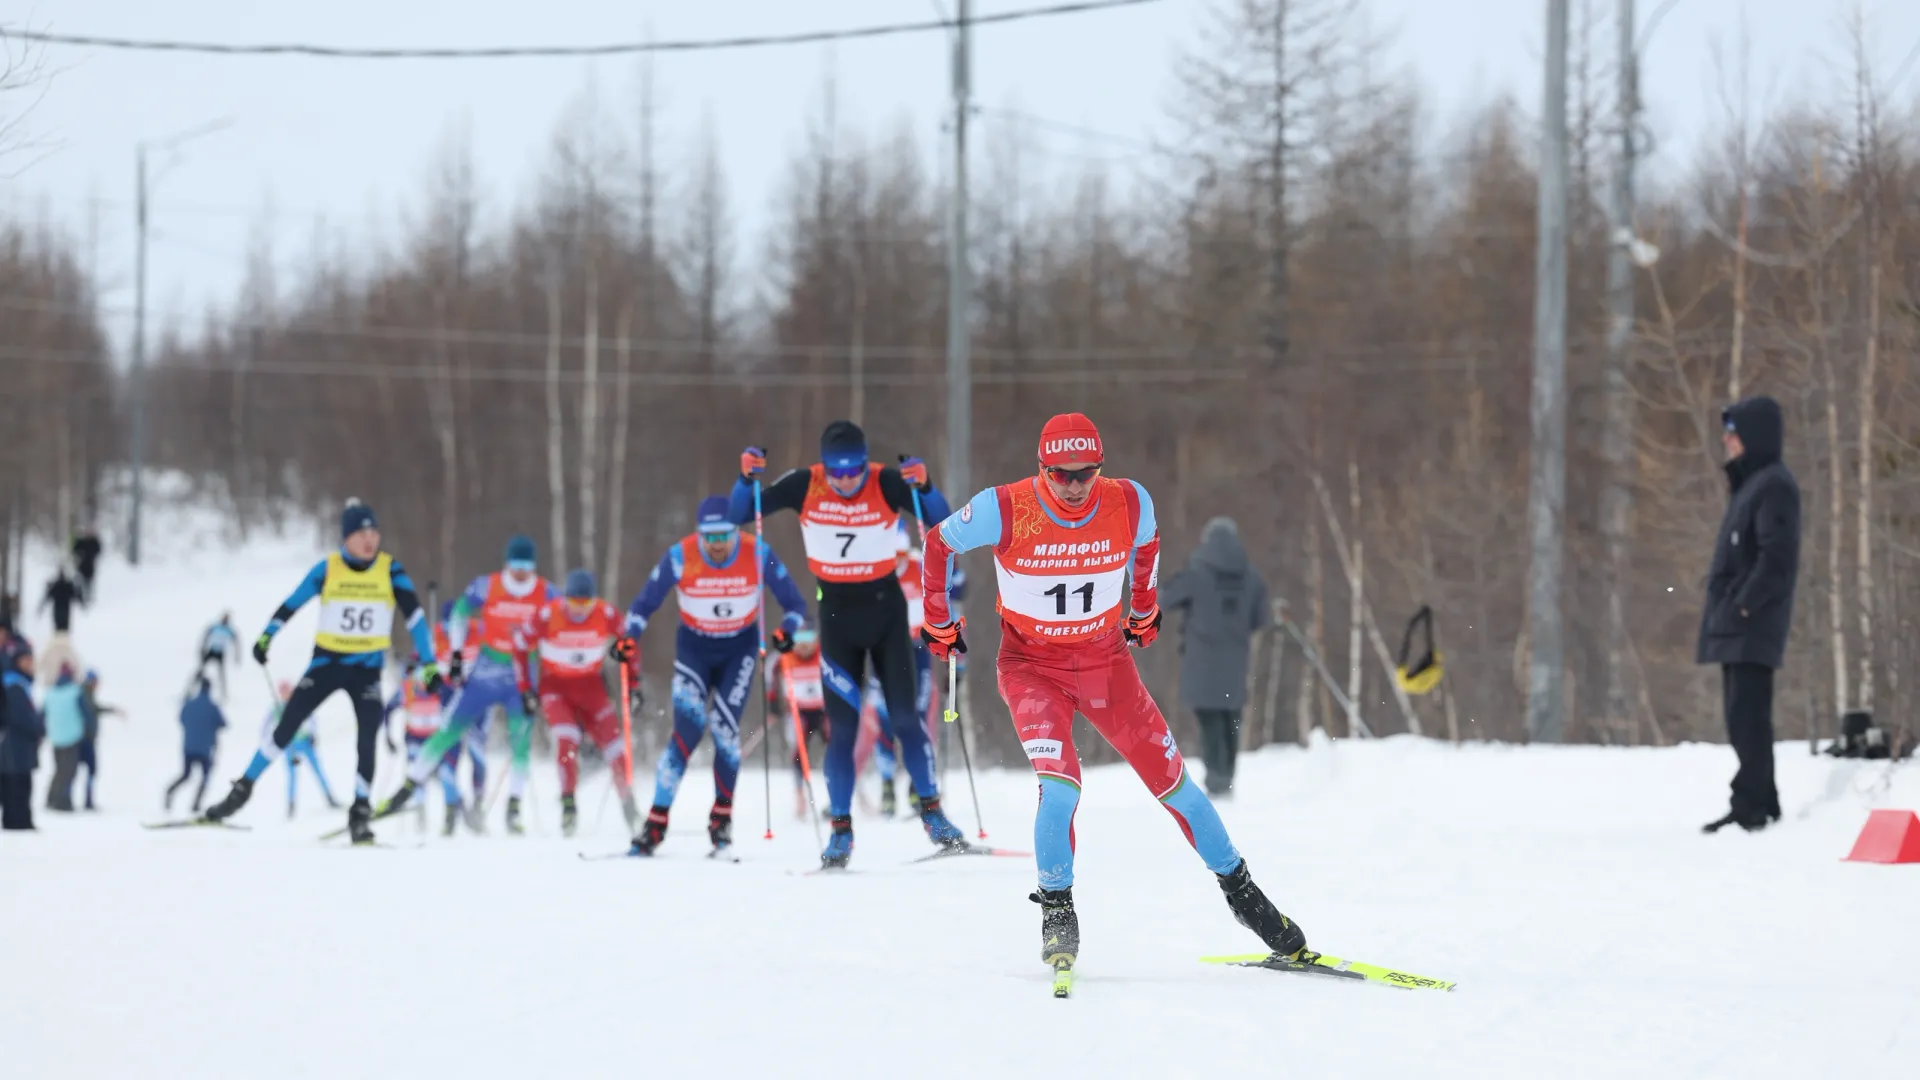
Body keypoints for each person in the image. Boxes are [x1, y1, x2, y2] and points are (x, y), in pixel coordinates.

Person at [920, 413, 1309, 980]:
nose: (1075, 486)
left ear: (1100, 467)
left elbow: (1148, 546)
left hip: (1105, 665)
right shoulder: (1004, 507)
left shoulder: (1128, 500)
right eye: (1062, 475)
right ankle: (1057, 910)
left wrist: (1143, 605)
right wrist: (939, 621)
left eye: (1086, 474)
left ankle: (1247, 898)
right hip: (1033, 669)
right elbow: (937, 543)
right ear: (1042, 468)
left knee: (1176, 785)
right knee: (1059, 790)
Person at [732, 422, 961, 868]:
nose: (845, 481)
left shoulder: (885, 481)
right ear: (824, 467)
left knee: (904, 718)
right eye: (836, 473)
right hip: (836, 618)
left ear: (865, 461)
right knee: (844, 728)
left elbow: (939, 518)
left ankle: (933, 815)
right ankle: (840, 830)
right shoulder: (804, 483)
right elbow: (743, 512)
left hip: (888, 613)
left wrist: (925, 485)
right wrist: (745, 478)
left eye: (854, 470)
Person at [201, 500, 444, 843]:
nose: (370, 539)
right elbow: (292, 603)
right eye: (361, 533)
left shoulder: (391, 570)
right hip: (327, 664)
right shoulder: (328, 569)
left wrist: (430, 664)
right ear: (346, 537)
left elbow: (415, 618)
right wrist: (267, 636)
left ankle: (360, 813)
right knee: (286, 726)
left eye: (374, 532)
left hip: (367, 671)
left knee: (367, 739)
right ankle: (240, 792)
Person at [615, 496, 808, 855]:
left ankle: (721, 821)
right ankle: (655, 824)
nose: (717, 545)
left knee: (724, 728)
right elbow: (644, 603)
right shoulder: (679, 556)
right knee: (686, 732)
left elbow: (795, 605)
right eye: (710, 537)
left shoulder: (757, 552)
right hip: (695, 650)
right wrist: (629, 638)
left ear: (735, 532)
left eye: (725, 536)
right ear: (699, 534)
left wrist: (787, 632)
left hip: (740, 651)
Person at [377, 535, 550, 835]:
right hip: (484, 670)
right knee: (448, 730)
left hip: (521, 673)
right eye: (516, 565)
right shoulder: (488, 585)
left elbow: (563, 623)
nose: (521, 572)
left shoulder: (547, 592)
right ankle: (406, 788)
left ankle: (513, 807)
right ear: (507, 564)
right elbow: (459, 612)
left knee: (520, 741)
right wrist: (456, 655)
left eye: (527, 566)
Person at [1698, 396, 1802, 835]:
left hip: (1751, 624)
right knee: (1741, 717)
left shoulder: (1773, 485)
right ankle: (1761, 801)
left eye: (1734, 433)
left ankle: (1752, 806)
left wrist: (1742, 603)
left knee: (1748, 717)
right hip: (1737, 625)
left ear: (1753, 437)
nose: (1727, 441)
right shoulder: (1751, 485)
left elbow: (1775, 559)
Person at [1162, 517, 1269, 797]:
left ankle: (1216, 780)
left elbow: (1165, 599)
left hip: (1202, 661)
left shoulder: (1197, 572)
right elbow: (1261, 618)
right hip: (1235, 660)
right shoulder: (1252, 576)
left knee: (1209, 719)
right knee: (1230, 718)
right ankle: (1227, 777)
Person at [530, 569, 636, 837]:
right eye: (574, 603)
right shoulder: (548, 615)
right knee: (567, 739)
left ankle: (629, 804)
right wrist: (525, 689)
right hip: (556, 689)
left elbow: (629, 640)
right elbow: (521, 645)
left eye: (585, 603)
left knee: (614, 744)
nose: (580, 610)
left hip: (591, 688)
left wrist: (634, 681)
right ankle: (568, 804)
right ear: (565, 599)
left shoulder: (605, 613)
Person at [383, 660, 470, 836]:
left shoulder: (442, 685)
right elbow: (388, 710)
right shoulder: (407, 687)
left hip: (439, 741)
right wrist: (388, 737)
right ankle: (421, 817)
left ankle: (451, 816)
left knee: (446, 777)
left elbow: (461, 705)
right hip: (416, 740)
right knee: (417, 778)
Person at [771, 627, 828, 818]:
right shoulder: (786, 655)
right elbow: (770, 674)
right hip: (799, 711)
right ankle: (800, 796)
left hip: (824, 710)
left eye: (809, 637)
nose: (804, 644)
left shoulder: (824, 653)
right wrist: (773, 703)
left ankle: (854, 795)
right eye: (800, 638)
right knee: (798, 754)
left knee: (838, 750)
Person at [265, 679, 340, 817]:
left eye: (288, 691)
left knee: (318, 771)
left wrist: (313, 735)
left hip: (305, 743)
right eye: (284, 692)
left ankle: (330, 798)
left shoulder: (299, 703)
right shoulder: (277, 708)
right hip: (290, 746)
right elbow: (266, 726)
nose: (287, 694)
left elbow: (312, 719)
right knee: (292, 776)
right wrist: (274, 738)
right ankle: (291, 805)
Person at [167, 678, 227, 814]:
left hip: (188, 746)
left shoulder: (189, 704)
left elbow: (181, 719)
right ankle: (196, 804)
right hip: (205, 748)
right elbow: (223, 724)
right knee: (205, 777)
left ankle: (170, 791)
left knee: (186, 774)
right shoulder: (213, 707)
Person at [0, 650, 42, 830]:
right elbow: (20, 715)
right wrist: (37, 728)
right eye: (25, 660)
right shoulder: (14, 684)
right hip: (14, 743)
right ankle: (18, 821)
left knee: (17, 780)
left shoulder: (18, 683)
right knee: (17, 782)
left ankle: (18, 819)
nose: (29, 663)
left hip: (15, 743)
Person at [42, 664, 87, 811]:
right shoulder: (75, 691)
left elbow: (42, 713)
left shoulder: (50, 692)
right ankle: (63, 801)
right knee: (68, 771)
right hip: (71, 737)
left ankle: (51, 798)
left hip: (55, 737)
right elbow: (85, 713)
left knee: (58, 770)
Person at [76, 669, 118, 811]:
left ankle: (87, 799)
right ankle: (86, 801)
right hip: (84, 739)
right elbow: (92, 710)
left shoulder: (86, 694)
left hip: (86, 738)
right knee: (89, 770)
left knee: (87, 770)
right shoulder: (84, 694)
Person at [199, 613, 239, 703]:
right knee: (200, 670)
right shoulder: (215, 626)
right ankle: (190, 689)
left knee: (221, 675)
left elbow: (236, 642)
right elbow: (205, 636)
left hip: (220, 653)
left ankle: (223, 694)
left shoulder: (230, 630)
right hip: (211, 650)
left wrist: (236, 656)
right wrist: (202, 648)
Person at [40, 564, 86, 633]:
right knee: (63, 629)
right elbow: (76, 596)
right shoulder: (67, 585)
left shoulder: (57, 585)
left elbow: (48, 597)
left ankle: (60, 641)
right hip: (64, 611)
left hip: (59, 611)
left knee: (59, 628)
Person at [70, 526, 102, 599]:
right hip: (82, 566)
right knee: (80, 582)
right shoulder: (81, 541)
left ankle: (89, 597)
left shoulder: (94, 541)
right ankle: (81, 597)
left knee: (89, 582)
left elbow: (98, 550)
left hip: (90, 566)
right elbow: (74, 549)